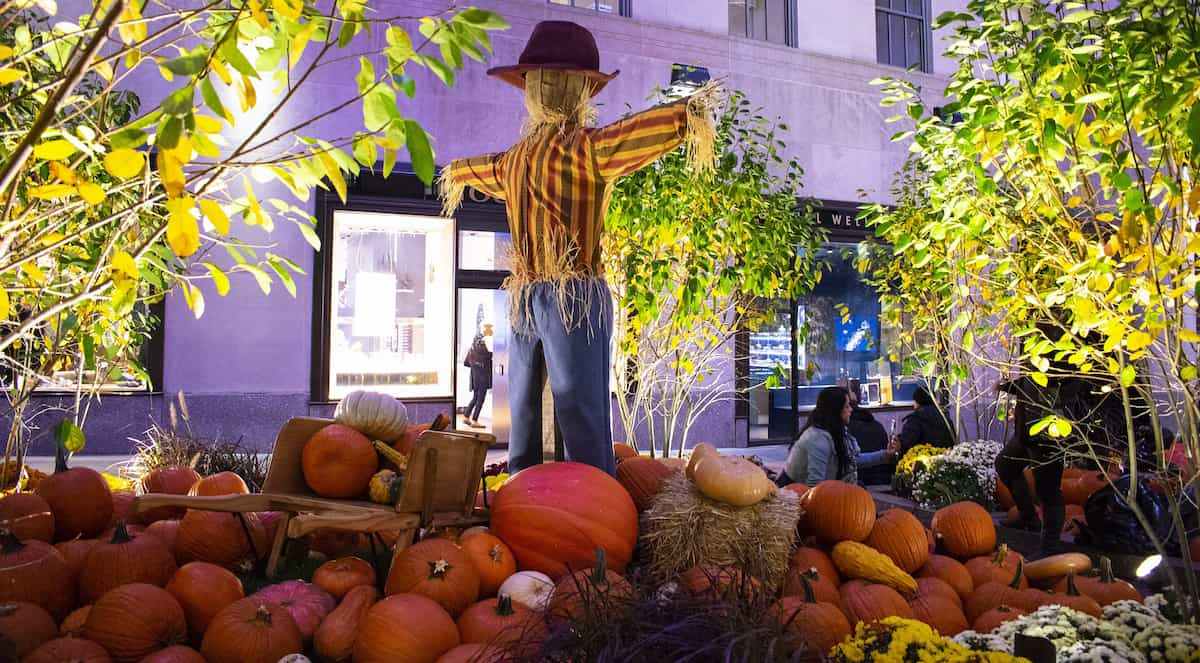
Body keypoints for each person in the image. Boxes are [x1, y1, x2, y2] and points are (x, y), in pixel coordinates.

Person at [442, 21, 719, 475]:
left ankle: (531, 492)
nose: (546, 89)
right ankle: (580, 496)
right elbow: (630, 135)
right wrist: (685, 115)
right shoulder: (583, 150)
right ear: (583, 92)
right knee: (575, 410)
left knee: (532, 409)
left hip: (530, 294)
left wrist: (454, 172)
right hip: (570, 294)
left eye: (546, 82)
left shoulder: (517, 159)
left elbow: (475, 169)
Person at [994, 376, 1067, 555]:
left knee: (1048, 488)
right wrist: (1010, 386)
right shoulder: (1034, 355)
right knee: (1006, 464)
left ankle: (1050, 546)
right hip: (1026, 431)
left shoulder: (1059, 356)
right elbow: (1031, 381)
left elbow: (1064, 386)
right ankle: (1029, 518)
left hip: (1048, 429)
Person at [782, 386, 900, 487]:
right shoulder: (817, 438)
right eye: (847, 406)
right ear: (836, 410)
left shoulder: (838, 431)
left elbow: (852, 460)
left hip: (829, 492)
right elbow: (814, 486)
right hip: (794, 498)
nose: (851, 410)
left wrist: (886, 454)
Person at [846, 380, 892, 485]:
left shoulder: (845, 430)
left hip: (859, 481)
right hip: (883, 479)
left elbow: (854, 460)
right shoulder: (877, 425)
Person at [895, 387, 956, 454]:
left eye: (914, 402)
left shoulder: (915, 419)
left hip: (920, 461)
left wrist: (898, 440)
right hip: (944, 460)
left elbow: (906, 443)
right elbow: (953, 442)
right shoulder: (945, 418)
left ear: (917, 401)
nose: (913, 405)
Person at [461, 325, 494, 429]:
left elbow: (466, 363)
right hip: (482, 378)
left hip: (475, 377)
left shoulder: (472, 349)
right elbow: (489, 357)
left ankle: (466, 416)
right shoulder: (483, 351)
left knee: (475, 398)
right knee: (480, 399)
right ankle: (475, 420)